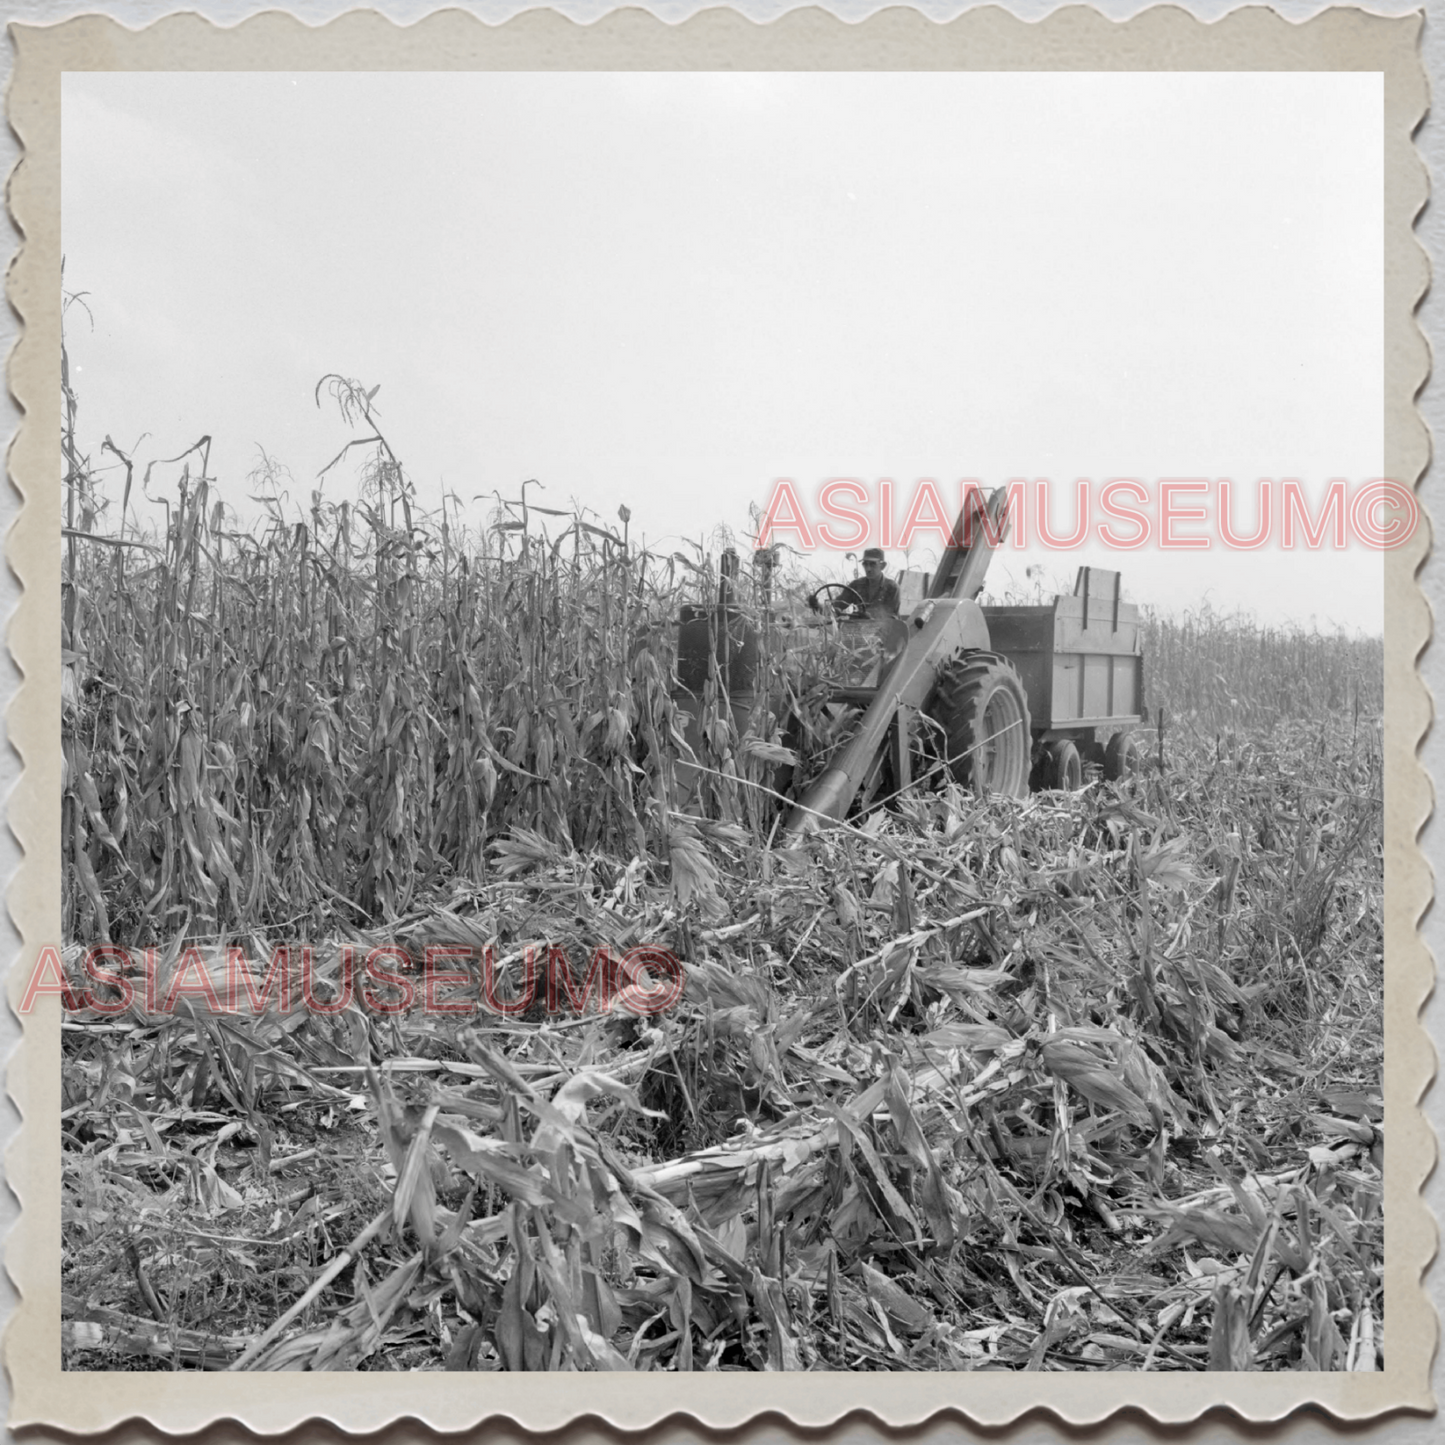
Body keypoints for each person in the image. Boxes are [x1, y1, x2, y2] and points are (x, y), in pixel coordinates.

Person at [842, 547, 900, 617]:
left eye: (872, 564)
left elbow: (888, 614)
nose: (868, 569)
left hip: (884, 627)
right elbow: (839, 603)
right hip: (857, 626)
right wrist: (834, 609)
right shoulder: (855, 585)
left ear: (882, 566)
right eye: (865, 564)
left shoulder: (892, 588)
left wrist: (868, 615)